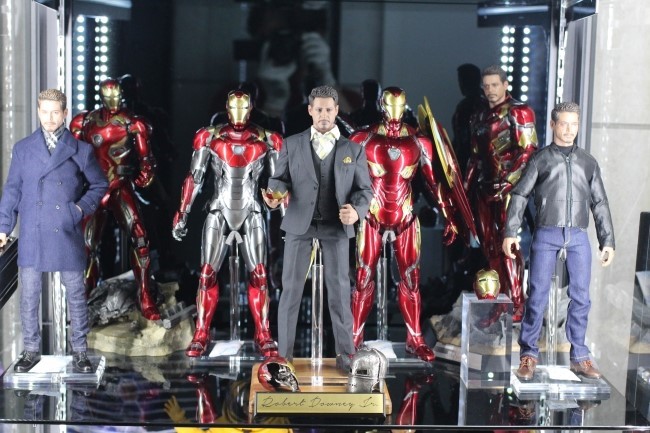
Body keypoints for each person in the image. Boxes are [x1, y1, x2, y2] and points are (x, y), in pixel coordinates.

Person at [349, 87, 475, 362]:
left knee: (411, 278)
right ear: (381, 105)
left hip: (405, 215)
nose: (394, 112)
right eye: (389, 105)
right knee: (363, 278)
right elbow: (343, 178)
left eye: (399, 105)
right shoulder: (362, 138)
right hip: (371, 214)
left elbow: (435, 183)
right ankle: (354, 337)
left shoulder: (420, 141)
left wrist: (449, 216)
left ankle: (414, 338)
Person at [263, 85, 372, 370]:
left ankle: (346, 354)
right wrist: (274, 196)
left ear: (337, 111)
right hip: (299, 224)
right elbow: (279, 179)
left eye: (329, 109)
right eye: (319, 109)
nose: (324, 114)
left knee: (340, 291)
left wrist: (356, 211)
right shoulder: (292, 144)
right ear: (310, 110)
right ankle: (284, 355)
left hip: (336, 227)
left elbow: (365, 190)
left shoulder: (353, 150)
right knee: (290, 291)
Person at [503, 101, 615, 381]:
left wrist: (607, 240)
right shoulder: (540, 159)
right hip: (547, 233)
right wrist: (510, 231)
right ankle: (529, 354)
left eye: (574, 124)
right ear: (553, 124)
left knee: (581, 296)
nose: (569, 129)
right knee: (537, 295)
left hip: (578, 235)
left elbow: (600, 202)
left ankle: (580, 356)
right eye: (563, 123)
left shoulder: (588, 162)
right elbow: (520, 194)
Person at [0, 89, 108, 373]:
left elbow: (99, 185)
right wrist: (3, 227)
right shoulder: (23, 149)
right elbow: (12, 190)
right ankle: (31, 350)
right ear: (38, 111)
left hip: (65, 229)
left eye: (55, 112)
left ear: (64, 113)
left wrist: (78, 210)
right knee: (29, 295)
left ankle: (80, 352)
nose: (49, 118)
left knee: (76, 293)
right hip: (33, 230)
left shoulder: (80, 150)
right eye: (44, 111)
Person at [172, 90, 283, 358]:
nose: (239, 114)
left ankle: (263, 333)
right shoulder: (209, 137)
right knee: (207, 274)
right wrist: (182, 212)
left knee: (259, 275)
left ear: (251, 108)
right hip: (219, 210)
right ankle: (202, 332)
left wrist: (286, 218)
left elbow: (279, 184)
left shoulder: (268, 139)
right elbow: (195, 178)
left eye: (244, 108)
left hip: (251, 210)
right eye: (234, 107)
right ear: (227, 108)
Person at [70, 78, 160, 321]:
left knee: (140, 239)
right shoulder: (84, 122)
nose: (114, 101)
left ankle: (145, 296)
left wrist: (144, 175)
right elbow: (71, 159)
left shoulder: (133, 124)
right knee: (86, 246)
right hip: (94, 188)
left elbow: (147, 161)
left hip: (120, 186)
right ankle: (84, 299)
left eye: (117, 96)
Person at [466, 65, 538, 321]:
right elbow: (475, 158)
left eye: (495, 84)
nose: (490, 90)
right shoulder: (479, 116)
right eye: (486, 86)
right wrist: (464, 188)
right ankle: (499, 304)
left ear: (505, 85)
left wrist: (507, 182)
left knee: (508, 246)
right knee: (490, 249)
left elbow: (528, 152)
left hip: (511, 190)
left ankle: (517, 303)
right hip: (484, 189)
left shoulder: (519, 111)